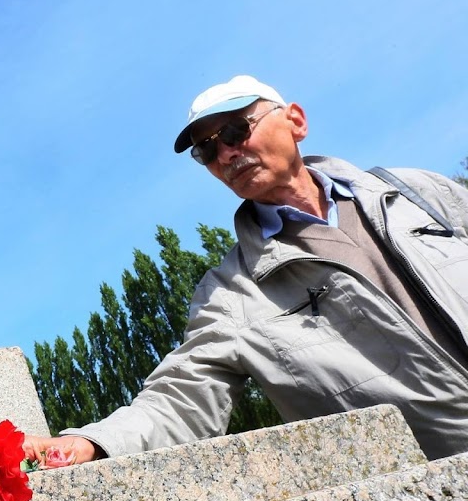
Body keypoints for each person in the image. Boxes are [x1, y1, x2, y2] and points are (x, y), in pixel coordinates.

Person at [24, 75, 468, 461]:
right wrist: (92, 443)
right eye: (206, 150)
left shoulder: (414, 191)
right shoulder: (232, 293)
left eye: (235, 130)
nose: (225, 154)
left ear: (296, 121)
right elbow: (181, 399)